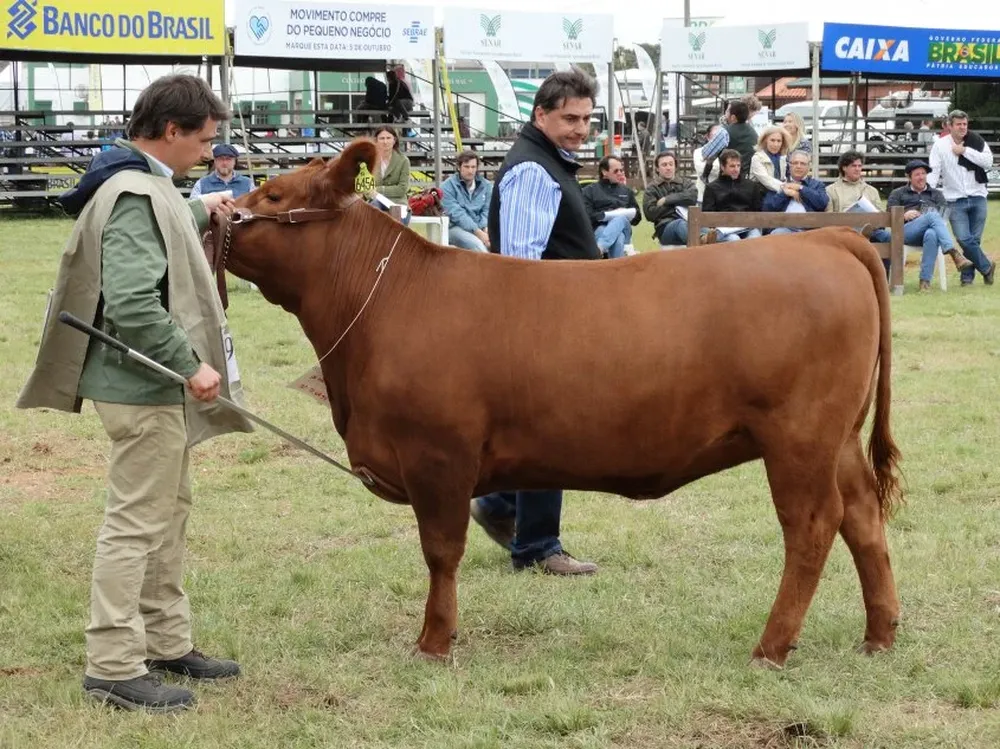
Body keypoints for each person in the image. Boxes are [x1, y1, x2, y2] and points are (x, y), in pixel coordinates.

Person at [16, 74, 253, 713]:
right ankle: (114, 665)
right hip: (144, 387)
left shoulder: (146, 182)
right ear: (170, 132)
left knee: (168, 511)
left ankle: (166, 641)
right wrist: (190, 364)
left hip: (155, 389)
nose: (209, 152)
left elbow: (169, 215)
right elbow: (130, 303)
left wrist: (208, 208)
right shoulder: (129, 193)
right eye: (203, 140)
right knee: (135, 524)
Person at [472, 69, 601, 576]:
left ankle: (502, 504)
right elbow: (522, 269)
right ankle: (538, 547)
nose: (580, 128)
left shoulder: (548, 162)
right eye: (570, 118)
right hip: (545, 325)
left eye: (587, 119)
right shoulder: (532, 170)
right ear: (540, 114)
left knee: (543, 431)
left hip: (560, 322)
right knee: (550, 434)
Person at [928, 109, 995, 286]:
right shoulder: (940, 146)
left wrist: (965, 151)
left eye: (965, 124)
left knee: (974, 240)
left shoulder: (976, 141)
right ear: (949, 126)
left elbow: (988, 162)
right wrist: (928, 192)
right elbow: (934, 171)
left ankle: (967, 278)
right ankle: (987, 267)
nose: (963, 128)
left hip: (978, 196)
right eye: (958, 124)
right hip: (954, 199)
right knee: (964, 239)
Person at [888, 158, 973, 292]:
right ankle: (953, 252)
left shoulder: (936, 194)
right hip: (906, 232)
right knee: (933, 215)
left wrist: (927, 218)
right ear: (909, 177)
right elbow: (889, 216)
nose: (921, 177)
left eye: (923, 174)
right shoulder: (898, 193)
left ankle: (925, 282)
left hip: (929, 233)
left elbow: (944, 217)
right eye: (917, 174)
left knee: (932, 234)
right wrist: (903, 215)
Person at [825, 151, 892, 276]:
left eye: (859, 166)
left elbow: (881, 217)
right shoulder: (831, 190)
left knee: (887, 237)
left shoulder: (871, 190)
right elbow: (829, 217)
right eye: (853, 166)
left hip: (869, 230)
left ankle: (884, 279)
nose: (857, 169)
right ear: (844, 167)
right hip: (844, 231)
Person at [582, 155, 641, 258]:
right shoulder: (589, 191)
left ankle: (599, 248)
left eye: (621, 170)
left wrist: (624, 212)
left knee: (620, 218)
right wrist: (608, 214)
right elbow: (587, 216)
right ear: (604, 172)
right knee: (618, 238)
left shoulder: (626, 191)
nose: (620, 173)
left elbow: (637, 218)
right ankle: (616, 269)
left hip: (624, 227)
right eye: (616, 171)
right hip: (600, 228)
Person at [701, 148, 764, 242]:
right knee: (734, 239)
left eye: (738, 166)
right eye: (732, 166)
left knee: (754, 238)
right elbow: (707, 214)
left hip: (747, 227)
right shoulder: (712, 188)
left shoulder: (751, 186)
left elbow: (757, 210)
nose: (736, 169)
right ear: (722, 167)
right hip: (724, 228)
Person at [765, 150, 830, 234]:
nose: (798, 166)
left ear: (808, 166)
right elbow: (768, 208)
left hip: (810, 230)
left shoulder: (817, 184)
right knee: (777, 234)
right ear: (789, 165)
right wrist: (784, 194)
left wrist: (800, 188)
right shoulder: (779, 183)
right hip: (784, 228)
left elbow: (822, 203)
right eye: (795, 163)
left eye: (802, 163)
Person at [440, 150, 492, 252]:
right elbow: (458, 215)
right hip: (455, 228)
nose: (470, 171)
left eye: (473, 167)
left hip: (481, 227)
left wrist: (485, 230)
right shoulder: (447, 186)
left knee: (499, 243)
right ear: (459, 167)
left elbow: (487, 211)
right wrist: (479, 233)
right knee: (479, 247)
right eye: (466, 166)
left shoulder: (486, 185)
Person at [643, 151, 697, 246]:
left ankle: (704, 241)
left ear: (675, 167)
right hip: (665, 228)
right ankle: (700, 242)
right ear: (657, 169)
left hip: (689, 222)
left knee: (708, 230)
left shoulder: (686, 183)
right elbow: (650, 213)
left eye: (671, 164)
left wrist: (667, 200)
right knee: (679, 224)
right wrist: (677, 205)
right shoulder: (652, 188)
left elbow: (692, 197)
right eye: (664, 165)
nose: (668, 168)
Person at [700, 100, 757, 178]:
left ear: (733, 117)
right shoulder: (754, 133)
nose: (725, 114)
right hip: (746, 179)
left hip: (727, 179)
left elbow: (706, 153)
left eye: (727, 111)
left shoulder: (725, 132)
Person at [189, 143, 254, 199]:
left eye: (228, 159)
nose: (224, 163)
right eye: (220, 159)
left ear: (235, 161)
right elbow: (193, 207)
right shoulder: (201, 184)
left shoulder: (248, 184)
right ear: (214, 161)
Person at [749, 126, 792, 196]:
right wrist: (788, 188)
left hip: (779, 194)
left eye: (779, 141)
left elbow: (784, 178)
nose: (776, 144)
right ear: (765, 140)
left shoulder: (783, 157)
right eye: (772, 140)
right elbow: (767, 181)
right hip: (761, 196)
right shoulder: (757, 158)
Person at [372, 126, 411, 203]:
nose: (385, 142)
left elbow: (402, 189)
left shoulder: (403, 161)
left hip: (397, 202)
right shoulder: (369, 160)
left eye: (388, 138)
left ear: (394, 140)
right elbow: (365, 189)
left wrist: (377, 190)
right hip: (373, 201)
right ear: (376, 141)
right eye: (382, 138)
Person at [693, 123, 722, 203]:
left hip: (722, 196)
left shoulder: (727, 153)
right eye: (714, 136)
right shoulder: (698, 152)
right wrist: (720, 168)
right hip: (702, 195)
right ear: (708, 137)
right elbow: (701, 171)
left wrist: (711, 167)